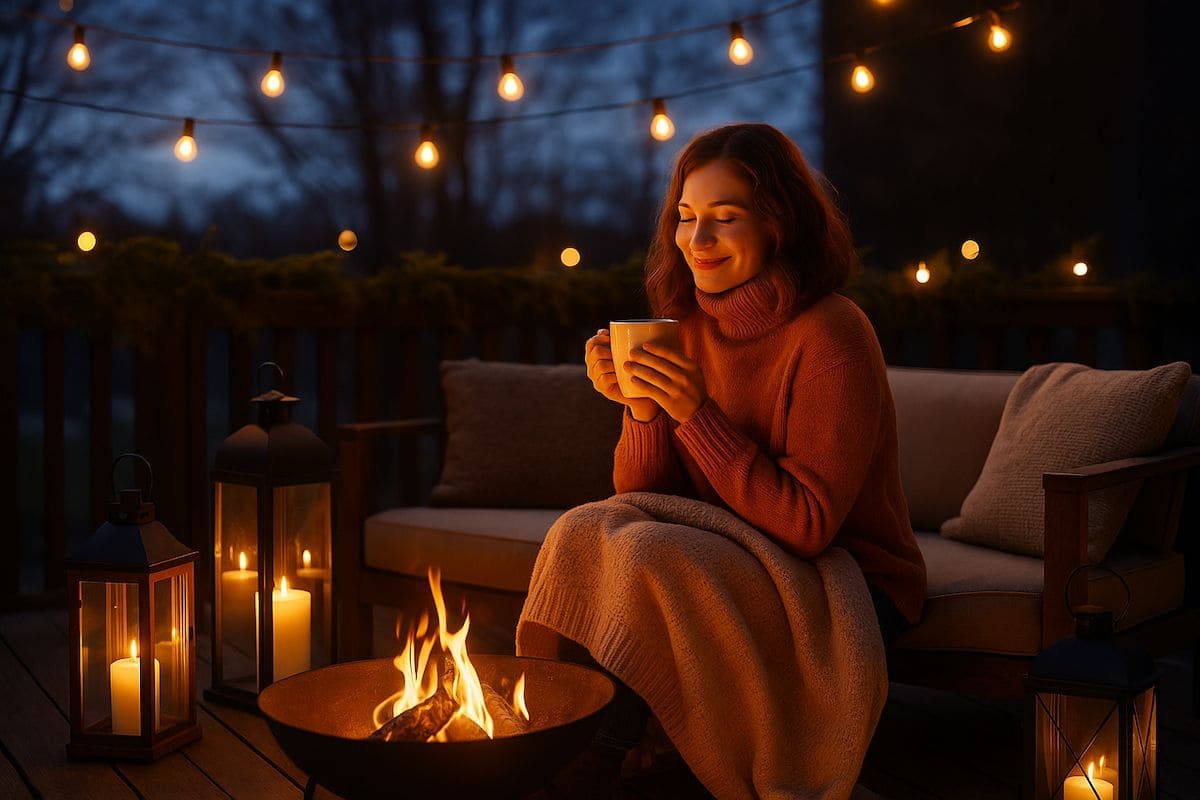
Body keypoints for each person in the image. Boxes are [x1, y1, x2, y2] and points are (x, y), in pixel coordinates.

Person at [540, 122, 926, 797]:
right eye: (686, 218)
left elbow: (810, 526)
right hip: (721, 553)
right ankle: (559, 732)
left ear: (779, 224)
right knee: (584, 527)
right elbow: (641, 495)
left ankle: (593, 764)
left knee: (649, 555)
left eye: (725, 218)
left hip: (846, 577)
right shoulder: (683, 325)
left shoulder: (831, 332)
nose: (698, 239)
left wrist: (696, 413)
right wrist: (642, 407)